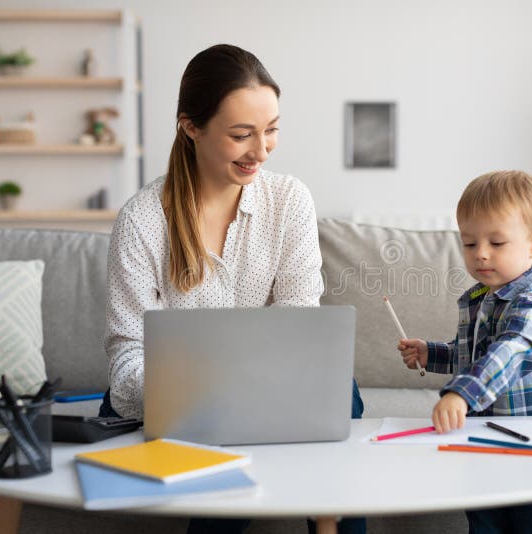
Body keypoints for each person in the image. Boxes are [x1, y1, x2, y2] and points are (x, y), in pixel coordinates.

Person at [100, 44, 364, 533]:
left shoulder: (289, 201)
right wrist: (206, 393)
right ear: (191, 127)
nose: (260, 151)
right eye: (241, 134)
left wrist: (253, 387)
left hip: (271, 386)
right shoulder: (142, 220)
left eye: (271, 130)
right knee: (236, 425)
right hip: (178, 401)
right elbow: (126, 357)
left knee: (340, 395)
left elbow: (300, 323)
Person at [398, 170, 532, 533]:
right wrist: (430, 354)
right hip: (486, 452)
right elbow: (473, 356)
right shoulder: (479, 300)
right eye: (469, 243)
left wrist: (460, 394)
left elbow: (508, 354)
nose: (480, 254)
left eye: (496, 243)